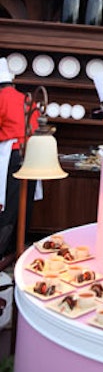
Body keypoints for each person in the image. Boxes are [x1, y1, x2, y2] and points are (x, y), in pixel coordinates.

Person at [0, 58, 38, 258]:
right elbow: (35, 126)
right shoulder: (26, 98)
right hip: (31, 153)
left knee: (7, 203)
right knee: (25, 201)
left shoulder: (0, 98)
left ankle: (2, 250)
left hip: (12, 155)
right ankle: (19, 247)